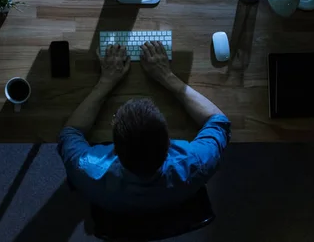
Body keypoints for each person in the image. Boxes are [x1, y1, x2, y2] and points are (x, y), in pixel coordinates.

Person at [57, 41, 231, 212]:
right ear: (169, 143)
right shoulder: (197, 162)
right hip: (173, 204)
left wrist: (106, 82)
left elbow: (70, 133)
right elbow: (218, 122)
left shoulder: (85, 169)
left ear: (115, 150)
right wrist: (167, 77)